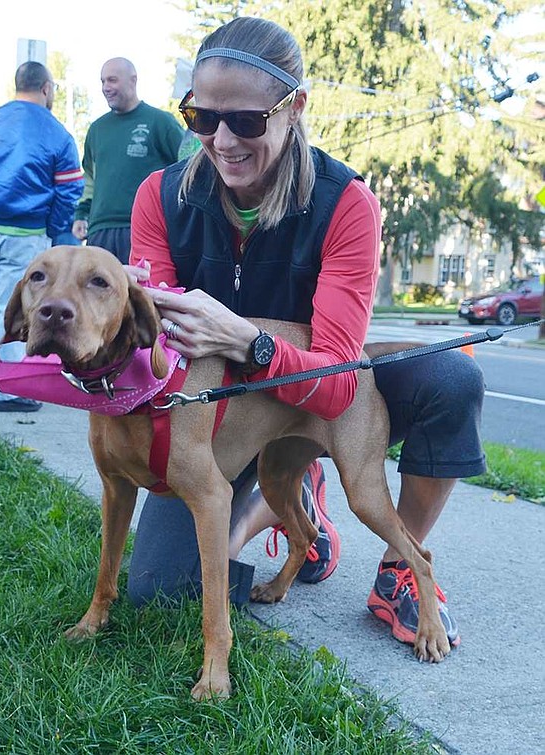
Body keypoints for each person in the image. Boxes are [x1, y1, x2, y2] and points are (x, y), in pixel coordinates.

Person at [126, 17, 486, 649]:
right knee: (161, 593)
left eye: (244, 120)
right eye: (202, 118)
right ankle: (298, 507)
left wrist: (246, 343)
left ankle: (405, 565)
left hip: (315, 390)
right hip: (218, 418)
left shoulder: (344, 202)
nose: (222, 141)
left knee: (450, 378)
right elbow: (149, 346)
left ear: (293, 108)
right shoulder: (160, 196)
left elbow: (338, 386)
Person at [0, 61, 84, 412]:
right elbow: (68, 190)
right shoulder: (58, 134)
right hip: (27, 233)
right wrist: (52, 227)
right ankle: (6, 389)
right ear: (46, 88)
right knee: (15, 310)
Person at [72, 58, 184, 264]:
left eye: (112, 80)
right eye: (103, 81)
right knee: (95, 294)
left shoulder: (161, 122)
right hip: (100, 231)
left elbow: (188, 168)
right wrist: (81, 214)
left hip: (144, 230)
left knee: (142, 294)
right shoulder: (97, 129)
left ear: (133, 80)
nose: (106, 87)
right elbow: (89, 178)